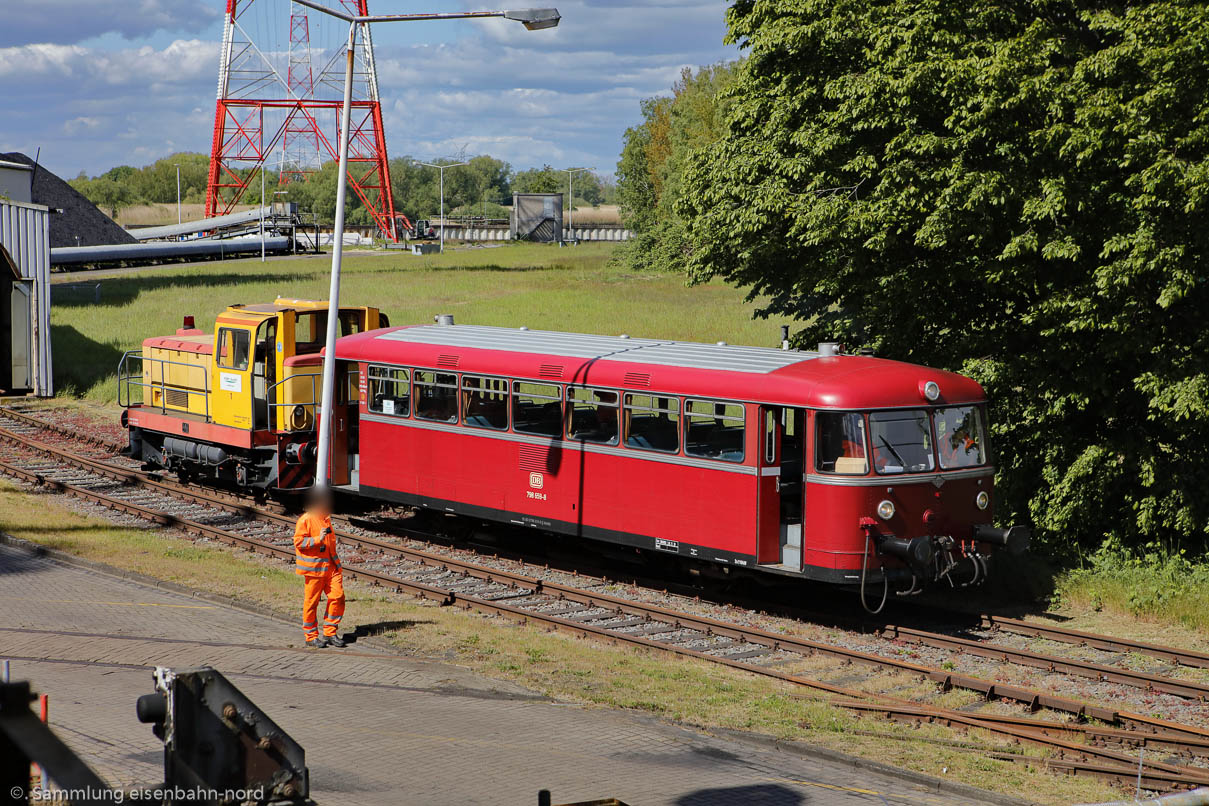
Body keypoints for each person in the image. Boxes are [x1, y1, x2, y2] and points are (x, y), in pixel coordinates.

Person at [294, 486, 345, 648]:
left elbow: (329, 544)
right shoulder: (306, 519)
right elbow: (299, 542)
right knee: (311, 603)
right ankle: (311, 636)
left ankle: (330, 633)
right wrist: (317, 539)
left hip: (330, 568)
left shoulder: (325, 518)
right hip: (315, 570)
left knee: (337, 597)